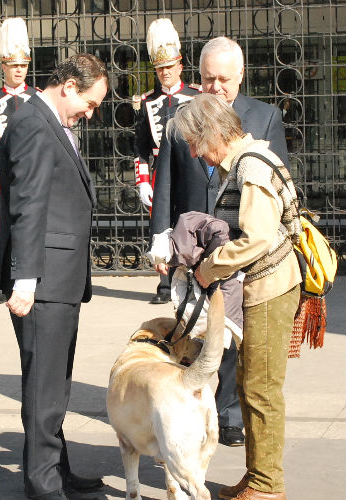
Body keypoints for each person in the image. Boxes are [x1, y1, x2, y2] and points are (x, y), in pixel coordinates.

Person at [150, 36, 290, 447]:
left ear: (240, 76)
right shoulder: (182, 118)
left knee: (232, 329)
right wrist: (162, 239)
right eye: (208, 78)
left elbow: (278, 184)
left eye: (224, 79)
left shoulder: (264, 117)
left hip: (242, 240)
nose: (216, 87)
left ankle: (228, 414)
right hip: (192, 243)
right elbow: (166, 183)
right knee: (194, 329)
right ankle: (191, 407)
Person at [0, 53, 109, 500]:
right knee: (43, 387)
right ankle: (42, 486)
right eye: (90, 103)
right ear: (70, 87)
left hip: (59, 278)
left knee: (55, 384)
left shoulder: (49, 120)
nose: (91, 113)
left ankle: (55, 470)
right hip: (43, 281)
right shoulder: (36, 123)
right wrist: (25, 280)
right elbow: (28, 204)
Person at [169, 92, 302, 500]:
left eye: (194, 142)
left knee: (260, 388)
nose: (193, 153)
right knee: (249, 383)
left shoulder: (251, 167)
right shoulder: (246, 161)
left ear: (212, 134)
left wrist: (209, 269)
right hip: (264, 287)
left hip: (270, 288)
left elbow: (257, 238)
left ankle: (267, 485)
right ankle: (258, 474)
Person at [133, 18, 200, 304]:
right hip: (161, 170)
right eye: (160, 69)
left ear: (180, 66)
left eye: (169, 67)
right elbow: (140, 147)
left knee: (190, 220)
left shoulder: (196, 95)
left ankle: (194, 275)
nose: (165, 73)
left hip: (190, 167)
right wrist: (143, 180)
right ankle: (164, 286)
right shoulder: (147, 102)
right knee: (162, 224)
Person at [0, 17, 38, 305]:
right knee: (4, 232)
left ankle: (28, 280)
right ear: (3, 67)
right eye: (14, 66)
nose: (19, 71)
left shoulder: (37, 97)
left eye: (23, 66)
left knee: (30, 227)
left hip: (32, 173)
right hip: (3, 176)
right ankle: (2, 285)